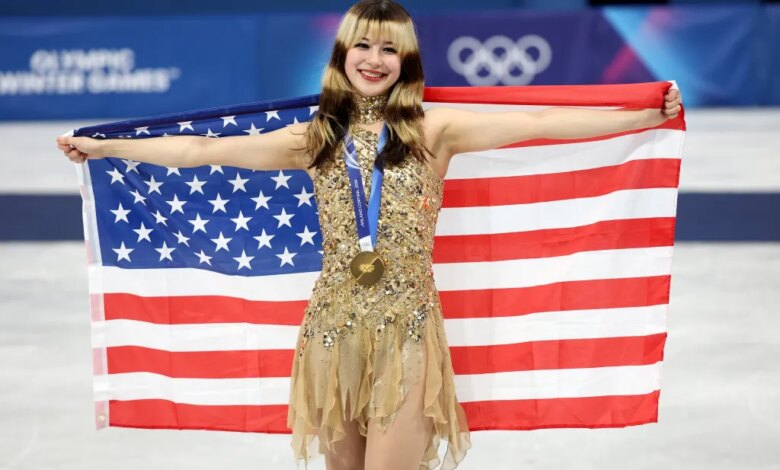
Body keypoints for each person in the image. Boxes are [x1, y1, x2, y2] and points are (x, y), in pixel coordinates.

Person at [56, 1, 682, 468]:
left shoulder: (435, 130)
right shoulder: (314, 139)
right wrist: (101, 144)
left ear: (406, 60)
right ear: (342, 55)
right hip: (332, 328)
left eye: (389, 50)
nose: (375, 60)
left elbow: (540, 123)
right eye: (363, 47)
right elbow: (201, 150)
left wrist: (647, 110)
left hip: (408, 329)